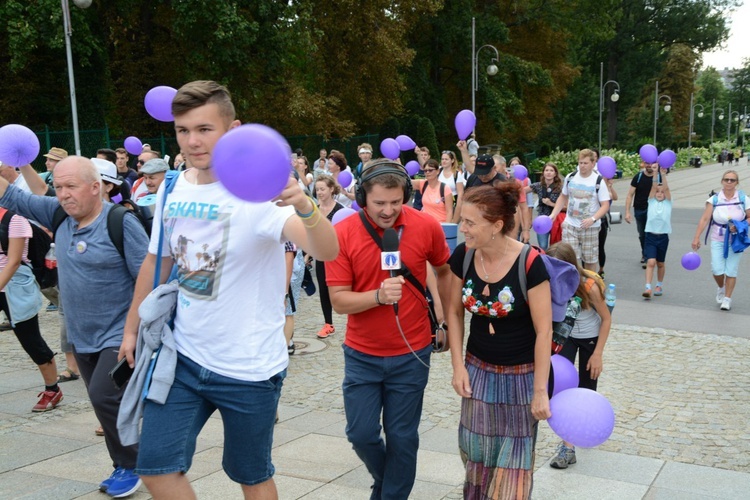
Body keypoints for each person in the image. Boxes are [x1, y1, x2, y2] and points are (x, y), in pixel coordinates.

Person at [121, 80, 339, 500]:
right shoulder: (171, 186)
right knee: (155, 468)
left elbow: (326, 249)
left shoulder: (259, 194)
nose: (192, 141)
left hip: (249, 366)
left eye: (204, 129)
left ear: (233, 130)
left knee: (251, 475)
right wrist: (132, 329)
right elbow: (157, 262)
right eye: (183, 130)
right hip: (182, 357)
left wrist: (304, 204)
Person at [0, 156, 149, 498]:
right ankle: (124, 461)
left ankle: (134, 463)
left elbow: (147, 277)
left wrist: (134, 331)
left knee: (103, 394)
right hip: (82, 335)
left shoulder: (119, 222)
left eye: (71, 187)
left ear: (96, 188)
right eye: (59, 186)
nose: (63, 194)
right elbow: (11, 196)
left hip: (121, 332)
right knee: (104, 402)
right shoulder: (58, 214)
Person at [326, 158, 451, 499]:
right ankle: (387, 481)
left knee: (403, 436)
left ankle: (391, 494)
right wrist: (378, 296)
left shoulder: (425, 226)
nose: (388, 211)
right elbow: (338, 301)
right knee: (361, 433)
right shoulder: (343, 233)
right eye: (380, 203)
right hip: (362, 354)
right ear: (362, 196)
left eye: (396, 202)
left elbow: (443, 272)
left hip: (412, 354)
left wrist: (443, 319)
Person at [446, 183, 552, 499]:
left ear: (496, 225)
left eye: (469, 222)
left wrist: (539, 391)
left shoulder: (530, 263)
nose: (461, 228)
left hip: (521, 376)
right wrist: (457, 367)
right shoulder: (463, 256)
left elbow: (544, 331)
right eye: (461, 219)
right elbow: (453, 313)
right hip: (477, 370)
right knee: (475, 453)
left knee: (513, 465)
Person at [545, 242, 611, 469]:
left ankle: (581, 433)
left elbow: (607, 319)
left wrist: (598, 354)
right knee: (564, 390)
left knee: (585, 390)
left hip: (590, 340)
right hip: (566, 337)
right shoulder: (549, 282)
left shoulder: (589, 286)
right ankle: (568, 448)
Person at [0, 207, 63, 412]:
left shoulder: (14, 220)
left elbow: (14, 261)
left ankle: (52, 389)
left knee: (30, 339)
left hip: (15, 284)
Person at [691, 170, 749, 311]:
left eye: (732, 180)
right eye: (726, 179)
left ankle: (727, 299)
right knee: (717, 269)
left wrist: (740, 225)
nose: (729, 182)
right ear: (722, 181)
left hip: (736, 239)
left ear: (737, 182)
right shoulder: (715, 200)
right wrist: (697, 237)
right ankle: (721, 287)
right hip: (718, 238)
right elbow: (705, 219)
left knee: (731, 270)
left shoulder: (743, 198)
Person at [549, 149, 611, 272]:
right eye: (580, 162)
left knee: (590, 261)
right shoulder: (571, 177)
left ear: (593, 164)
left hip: (590, 227)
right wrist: (553, 214)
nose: (582, 166)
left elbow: (605, 205)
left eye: (585, 163)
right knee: (569, 259)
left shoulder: (598, 181)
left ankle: (588, 286)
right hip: (571, 224)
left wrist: (593, 219)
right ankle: (574, 286)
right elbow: (563, 196)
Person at [310, 175, 345, 339]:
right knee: (323, 290)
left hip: (339, 256)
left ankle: (354, 321)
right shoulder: (314, 210)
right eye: (317, 190)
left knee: (342, 289)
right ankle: (328, 324)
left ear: (331, 189)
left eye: (322, 189)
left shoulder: (340, 210)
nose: (319, 192)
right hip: (321, 255)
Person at [624, 161, 661, 269]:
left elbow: (664, 193)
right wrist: (627, 211)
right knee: (642, 235)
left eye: (652, 163)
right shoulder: (638, 177)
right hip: (640, 210)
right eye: (647, 163)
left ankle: (649, 256)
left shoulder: (659, 178)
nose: (649, 165)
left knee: (652, 233)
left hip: (654, 211)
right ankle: (646, 253)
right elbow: (630, 195)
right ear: (644, 164)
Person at [642, 170, 671, 298]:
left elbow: (666, 188)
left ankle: (659, 284)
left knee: (660, 263)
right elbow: (654, 187)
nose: (659, 193)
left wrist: (663, 174)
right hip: (650, 236)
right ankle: (648, 287)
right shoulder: (651, 202)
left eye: (662, 192)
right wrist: (655, 173)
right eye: (657, 192)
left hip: (663, 237)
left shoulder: (668, 204)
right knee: (651, 262)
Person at [528, 162, 562, 250]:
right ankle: (544, 262)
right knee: (543, 246)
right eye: (546, 170)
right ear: (543, 172)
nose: (549, 172)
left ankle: (554, 263)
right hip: (542, 220)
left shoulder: (560, 187)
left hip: (556, 220)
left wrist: (551, 204)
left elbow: (567, 206)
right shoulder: (538, 185)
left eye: (551, 170)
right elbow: (521, 191)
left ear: (555, 173)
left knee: (555, 247)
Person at [411, 159, 453, 223]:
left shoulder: (445, 188)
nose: (427, 172)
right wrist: (399, 167)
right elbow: (406, 182)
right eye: (425, 171)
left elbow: (449, 212)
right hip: (425, 225)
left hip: (440, 225)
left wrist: (447, 228)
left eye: (430, 170)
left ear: (437, 171)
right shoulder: (423, 184)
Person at [438, 150, 466, 223]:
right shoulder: (438, 172)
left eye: (446, 159)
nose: (443, 161)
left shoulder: (456, 174)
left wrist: (458, 212)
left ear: (452, 160)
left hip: (452, 205)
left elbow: (460, 194)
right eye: (442, 159)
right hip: (438, 204)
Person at [597, 178, 618, 278]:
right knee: (586, 248)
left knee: (600, 247)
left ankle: (601, 270)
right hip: (591, 221)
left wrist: (610, 187)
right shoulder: (595, 187)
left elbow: (615, 197)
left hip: (602, 221)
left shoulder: (607, 190)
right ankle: (587, 271)